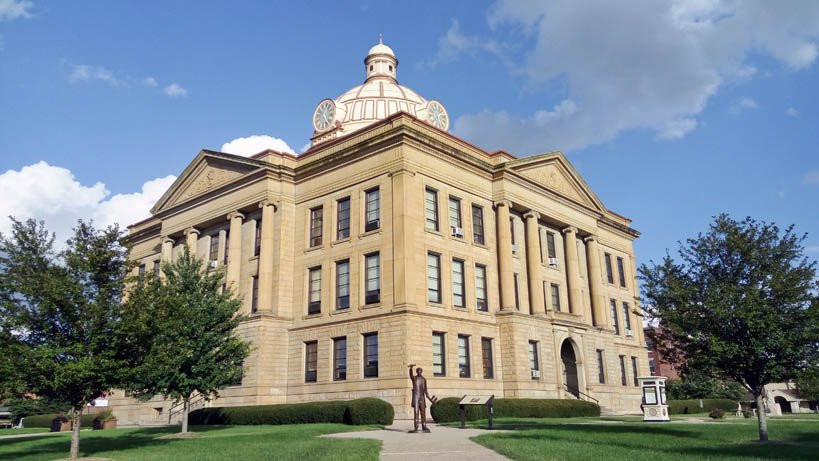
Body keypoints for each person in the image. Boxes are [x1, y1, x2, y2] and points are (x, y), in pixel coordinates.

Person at [408, 364, 436, 433]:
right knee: (416, 412)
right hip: (416, 398)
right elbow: (411, 376)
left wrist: (429, 398)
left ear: (421, 372)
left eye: (420, 371)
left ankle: (424, 426)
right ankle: (416, 427)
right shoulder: (414, 378)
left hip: (422, 398)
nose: (419, 372)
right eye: (417, 371)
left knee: (423, 412)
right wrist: (411, 368)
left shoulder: (424, 380)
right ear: (416, 372)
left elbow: (425, 390)